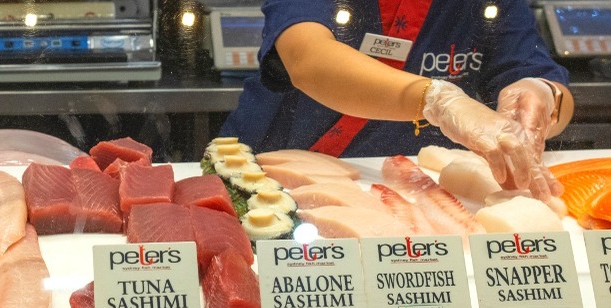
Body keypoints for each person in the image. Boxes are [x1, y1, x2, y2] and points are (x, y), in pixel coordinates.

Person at [219, 0, 574, 201]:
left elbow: (540, 74)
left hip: (404, 189)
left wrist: (541, 95)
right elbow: (308, 61)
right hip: (266, 176)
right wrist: (440, 99)